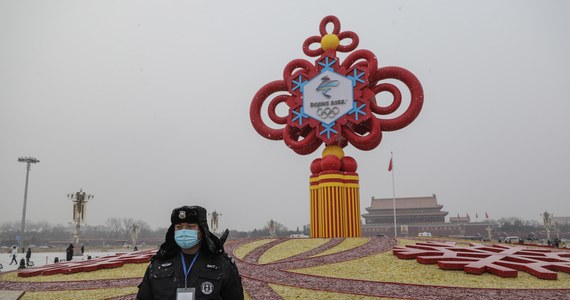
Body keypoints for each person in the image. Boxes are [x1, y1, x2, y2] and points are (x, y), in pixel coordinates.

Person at [137, 205, 243, 299]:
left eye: (190, 227)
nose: (183, 231)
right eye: (179, 227)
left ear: (202, 230)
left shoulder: (222, 264)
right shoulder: (158, 264)